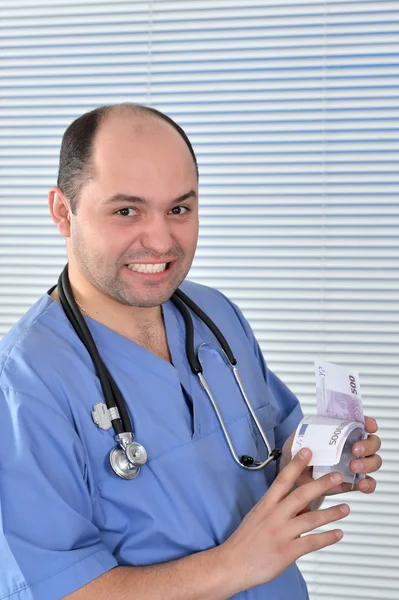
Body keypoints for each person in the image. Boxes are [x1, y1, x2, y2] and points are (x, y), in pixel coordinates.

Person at [0, 103, 382, 600]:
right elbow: (58, 589)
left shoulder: (215, 315)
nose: (161, 241)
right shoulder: (25, 384)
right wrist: (232, 565)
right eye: (126, 210)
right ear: (62, 212)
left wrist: (312, 463)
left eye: (179, 209)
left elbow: (268, 453)